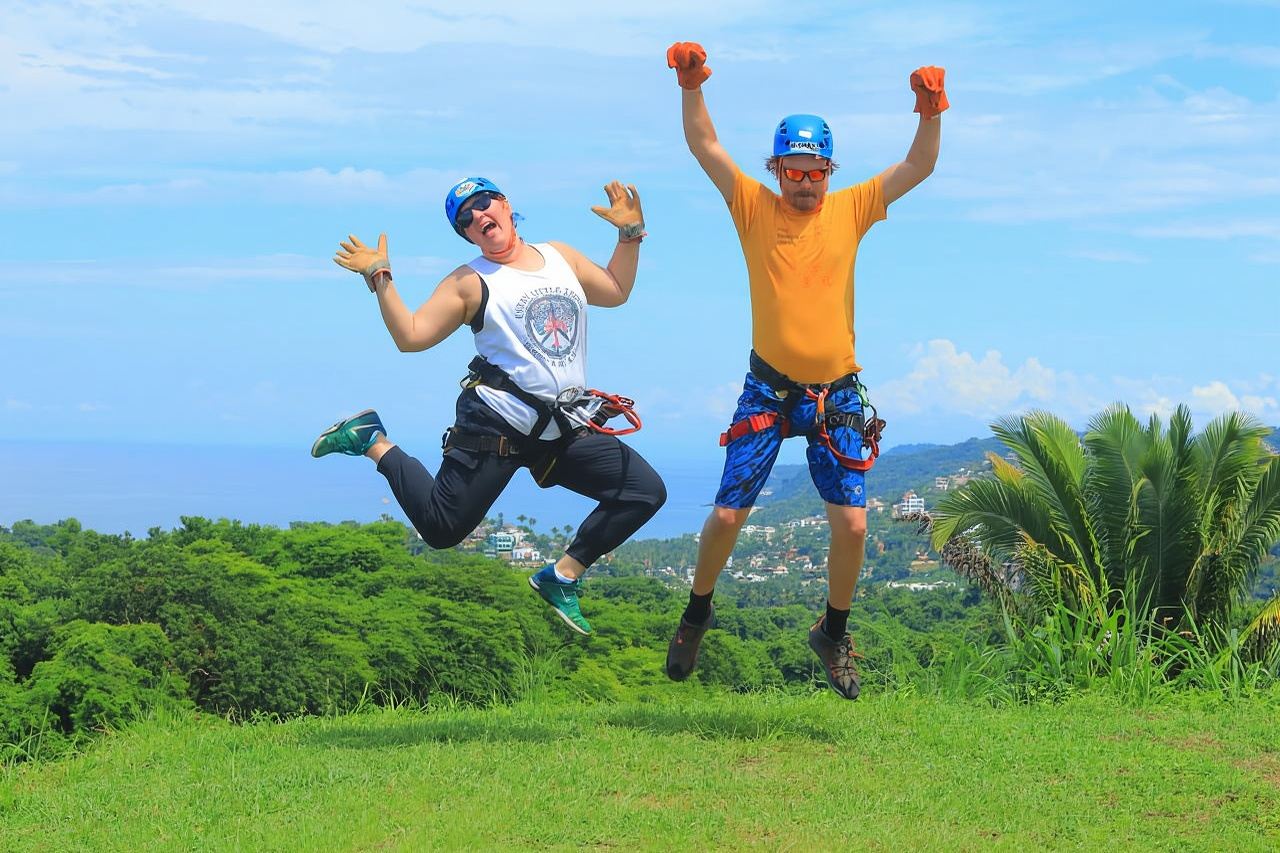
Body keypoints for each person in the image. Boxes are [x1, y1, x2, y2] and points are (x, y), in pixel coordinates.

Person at [663, 42, 947, 699]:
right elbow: (705, 144)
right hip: (766, 386)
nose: (803, 180)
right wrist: (691, 84)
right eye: (792, 169)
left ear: (827, 170)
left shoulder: (851, 208)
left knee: (852, 524)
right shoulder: (753, 208)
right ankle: (695, 614)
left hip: (836, 395)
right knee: (729, 517)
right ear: (777, 169)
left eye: (814, 169)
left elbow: (918, 164)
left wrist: (931, 111)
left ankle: (834, 632)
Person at [312, 177, 666, 636]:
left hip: (562, 426)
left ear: (506, 205)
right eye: (466, 218)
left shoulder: (561, 257)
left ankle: (560, 577)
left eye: (483, 204)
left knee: (643, 491)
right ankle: (372, 440)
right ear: (467, 234)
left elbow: (616, 290)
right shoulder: (469, 281)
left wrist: (629, 235)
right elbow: (411, 337)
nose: (478, 216)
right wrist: (381, 277)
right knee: (442, 529)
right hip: (495, 424)